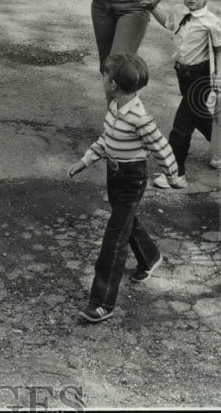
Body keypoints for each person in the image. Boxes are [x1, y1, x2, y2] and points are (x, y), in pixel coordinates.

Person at [68, 53, 183, 324]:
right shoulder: (115, 107)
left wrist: (173, 175)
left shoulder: (139, 118)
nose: (103, 78)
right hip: (115, 174)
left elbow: (160, 146)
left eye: (104, 75)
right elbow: (106, 139)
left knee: (114, 241)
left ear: (113, 84)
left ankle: (102, 302)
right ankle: (150, 256)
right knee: (125, 221)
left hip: (132, 178)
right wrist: (85, 161)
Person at [147, 0, 221, 186]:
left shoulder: (211, 22)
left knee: (181, 126)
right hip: (182, 74)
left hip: (201, 77)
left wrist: (218, 78)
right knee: (198, 115)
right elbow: (168, 23)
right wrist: (151, 7)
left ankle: (175, 173)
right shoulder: (179, 12)